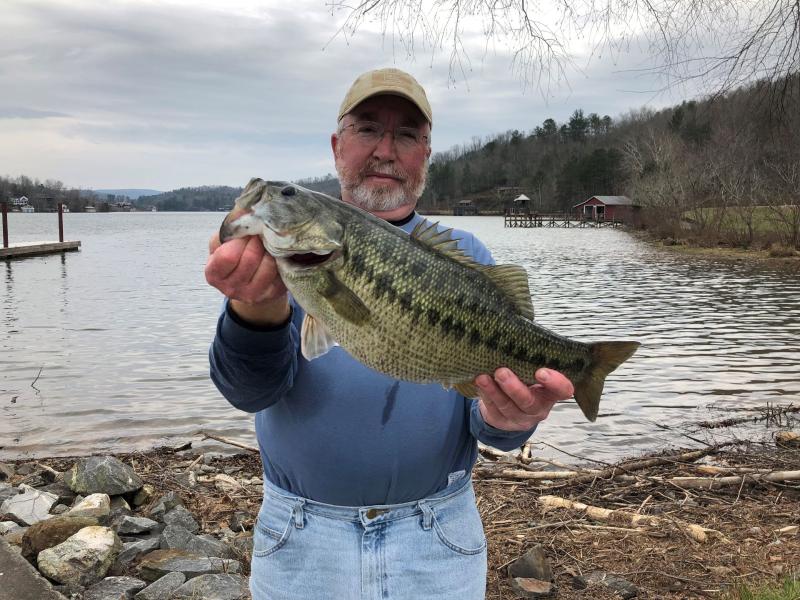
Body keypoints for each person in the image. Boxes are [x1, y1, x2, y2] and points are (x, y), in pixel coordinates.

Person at [205, 68, 574, 600]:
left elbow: (492, 428)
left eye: (406, 135)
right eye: (368, 129)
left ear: (426, 153)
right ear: (337, 146)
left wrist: (510, 419)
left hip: (436, 538)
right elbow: (249, 393)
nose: (386, 150)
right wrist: (250, 311)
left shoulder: (469, 259)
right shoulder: (276, 262)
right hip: (300, 537)